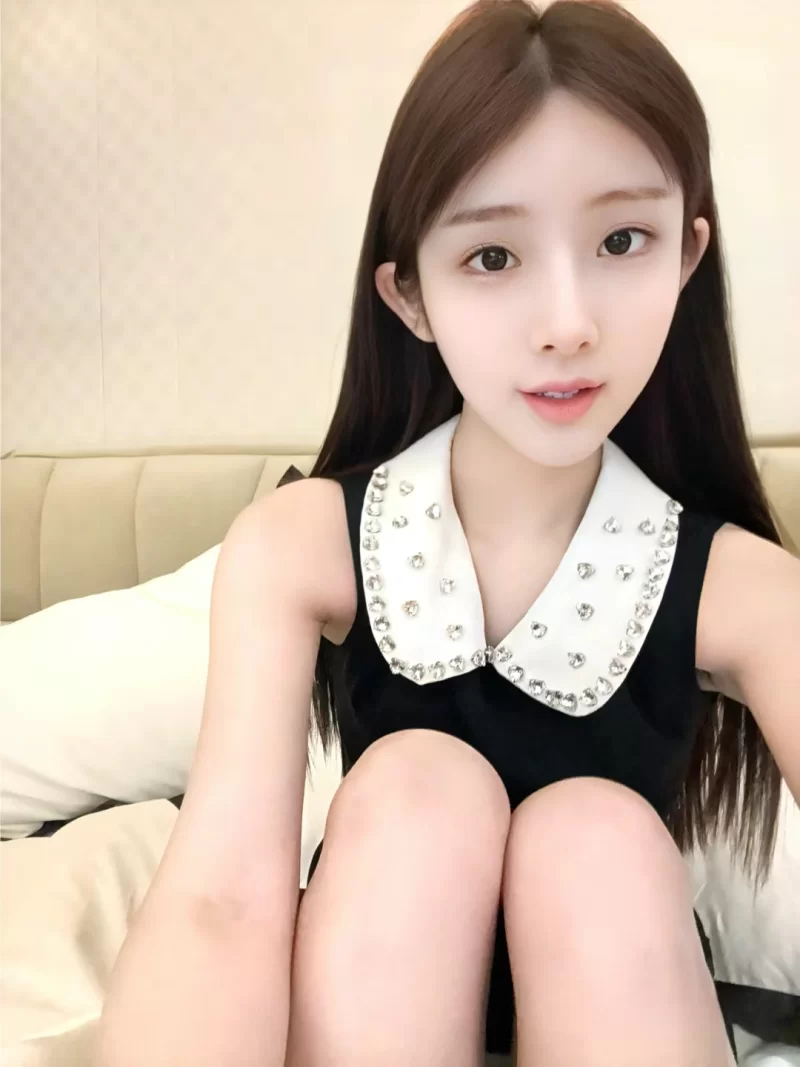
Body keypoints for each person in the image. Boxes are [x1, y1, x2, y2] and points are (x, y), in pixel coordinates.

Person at [96, 2, 800, 1065]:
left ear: (686, 255)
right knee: (417, 790)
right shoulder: (300, 544)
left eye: (622, 240)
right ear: (409, 295)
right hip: (377, 988)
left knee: (593, 838)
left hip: (620, 990)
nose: (566, 323)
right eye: (492, 256)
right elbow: (222, 897)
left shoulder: (745, 590)